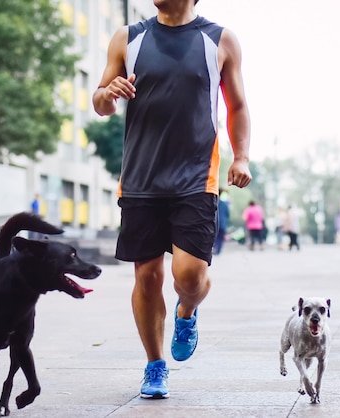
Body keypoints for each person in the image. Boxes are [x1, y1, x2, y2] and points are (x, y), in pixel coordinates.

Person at [92, 0, 251, 399]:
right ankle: (154, 364)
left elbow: (237, 105)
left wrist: (243, 155)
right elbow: (100, 102)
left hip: (197, 178)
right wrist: (108, 93)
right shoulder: (128, 38)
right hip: (141, 179)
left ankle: (186, 311)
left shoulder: (219, 40)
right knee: (147, 277)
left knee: (189, 275)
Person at [213, 189, 230, 255]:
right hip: (222, 223)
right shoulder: (224, 204)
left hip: (213, 223)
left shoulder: (212, 202)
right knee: (220, 237)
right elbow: (227, 214)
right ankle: (218, 250)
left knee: (214, 237)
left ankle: (214, 248)